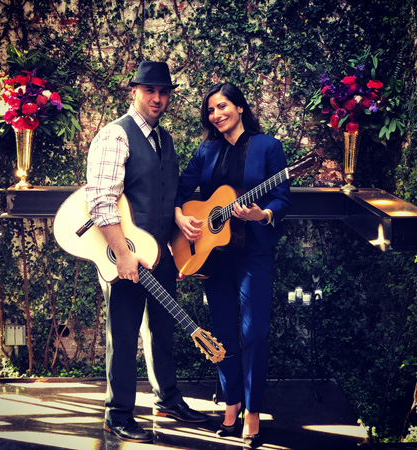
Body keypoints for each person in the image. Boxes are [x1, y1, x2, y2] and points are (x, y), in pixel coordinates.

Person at [85, 61, 208, 443]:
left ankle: (167, 398)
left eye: (164, 92)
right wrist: (122, 253)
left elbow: (166, 196)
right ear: (134, 91)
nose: (157, 98)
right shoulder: (115, 136)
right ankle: (116, 413)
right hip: (125, 255)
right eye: (150, 90)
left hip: (163, 255)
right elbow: (101, 201)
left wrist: (177, 249)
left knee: (162, 329)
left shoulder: (164, 139)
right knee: (123, 336)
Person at [175, 82, 291, 447]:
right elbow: (181, 190)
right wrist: (180, 217)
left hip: (253, 251)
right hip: (213, 255)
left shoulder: (268, 147)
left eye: (222, 106)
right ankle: (231, 403)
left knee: (254, 331)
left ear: (240, 108)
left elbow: (282, 198)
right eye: (211, 110)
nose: (216, 115)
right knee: (223, 332)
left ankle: (253, 411)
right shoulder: (205, 150)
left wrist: (263, 213)